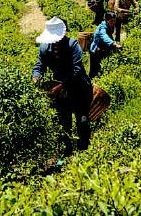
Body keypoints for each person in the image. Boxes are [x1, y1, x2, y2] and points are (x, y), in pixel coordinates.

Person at [32, 16, 94, 155]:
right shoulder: (44, 48)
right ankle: (67, 152)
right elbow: (39, 65)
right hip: (60, 90)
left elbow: (77, 70)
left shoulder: (73, 45)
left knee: (82, 120)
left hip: (79, 87)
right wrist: (36, 76)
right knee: (63, 122)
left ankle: (84, 151)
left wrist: (62, 85)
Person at [89, 12, 122, 78]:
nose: (113, 23)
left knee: (102, 67)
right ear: (106, 20)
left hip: (103, 49)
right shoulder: (102, 27)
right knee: (94, 70)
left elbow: (110, 36)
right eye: (111, 21)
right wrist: (113, 43)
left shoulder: (109, 25)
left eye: (114, 21)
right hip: (96, 50)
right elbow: (104, 36)